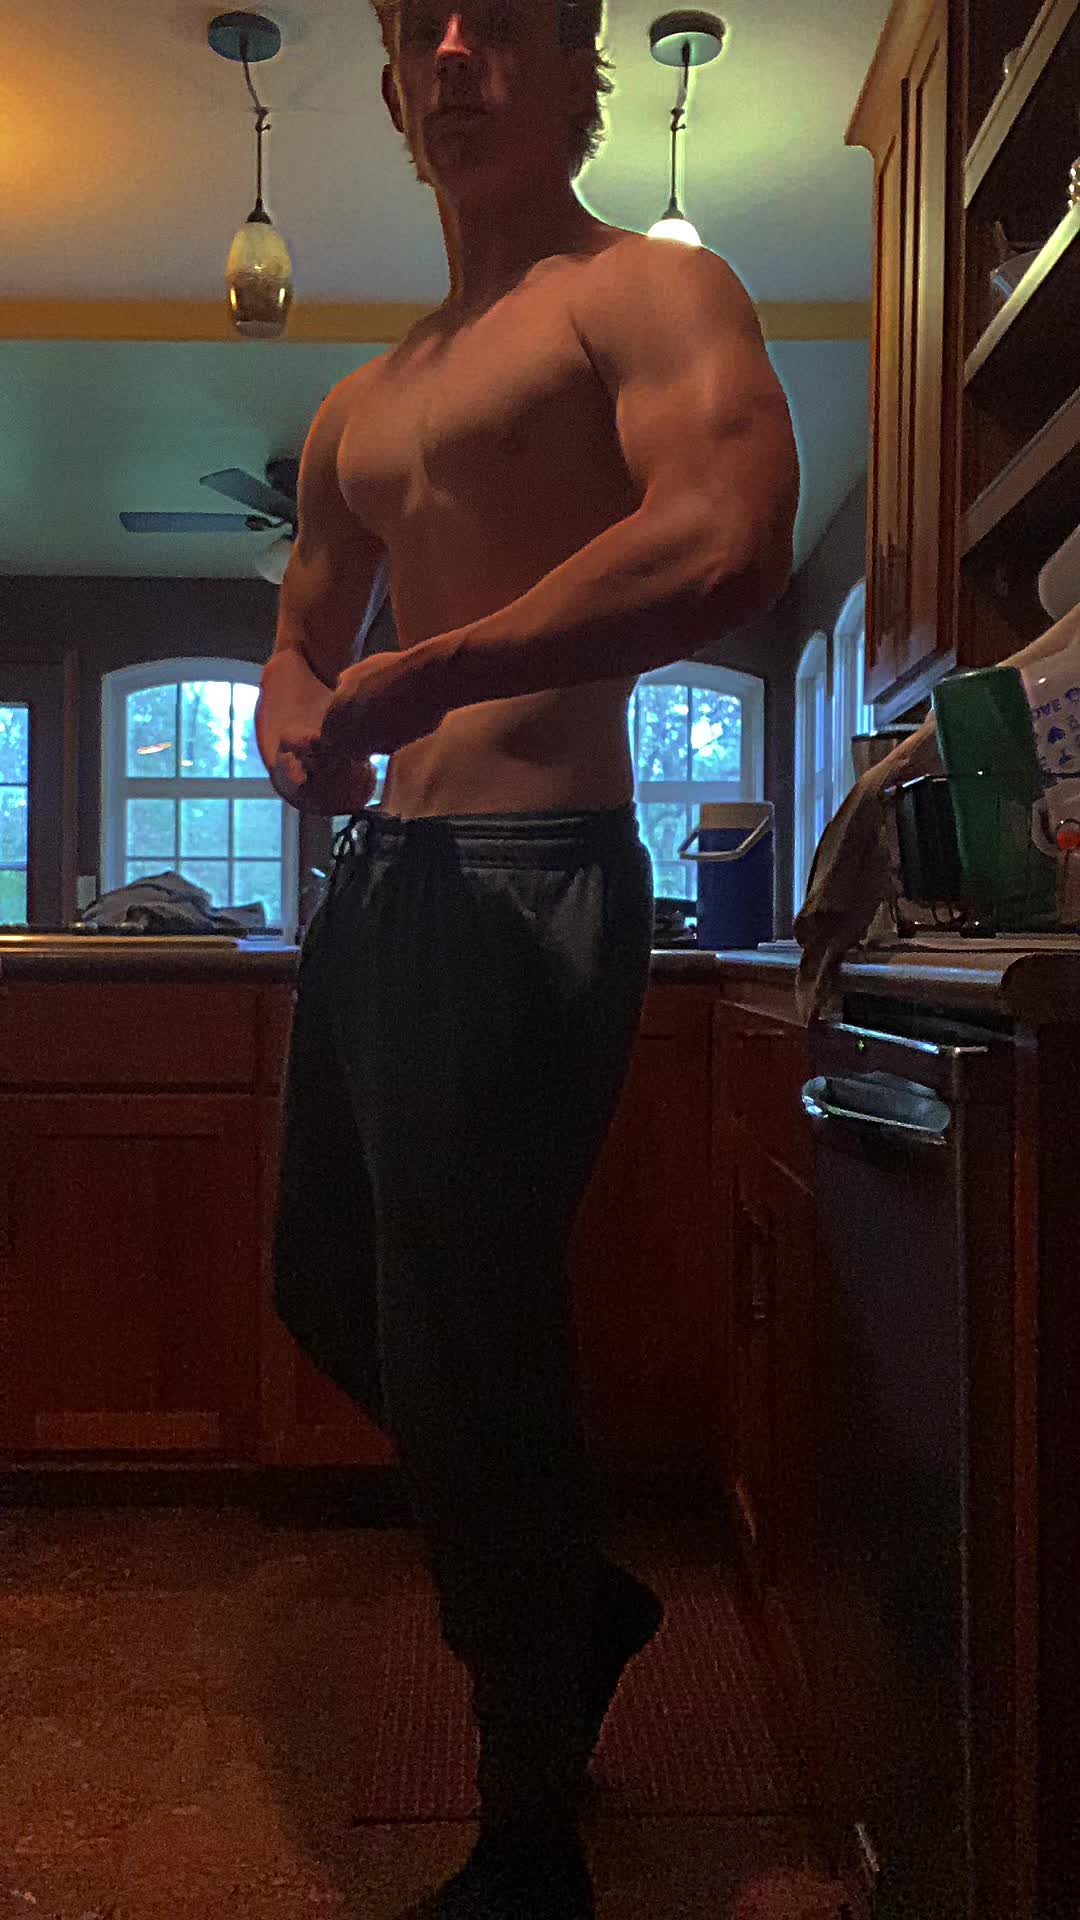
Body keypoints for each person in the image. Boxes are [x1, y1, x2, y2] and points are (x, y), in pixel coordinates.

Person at [255, 3, 799, 1914]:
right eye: (421, 26)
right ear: (394, 87)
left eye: (502, 20)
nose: (455, 49)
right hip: (386, 887)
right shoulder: (363, 398)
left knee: (468, 1340)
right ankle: (570, 1600)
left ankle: (527, 1820)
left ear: (578, 71)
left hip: (532, 872)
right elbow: (302, 627)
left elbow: (728, 535)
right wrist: (295, 707)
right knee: (332, 1287)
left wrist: (429, 674)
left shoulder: (641, 292)